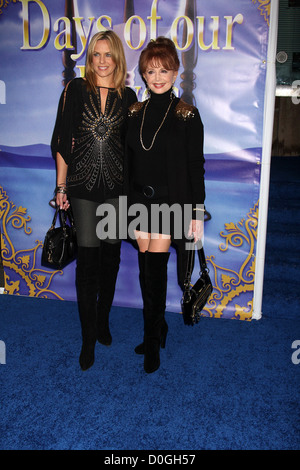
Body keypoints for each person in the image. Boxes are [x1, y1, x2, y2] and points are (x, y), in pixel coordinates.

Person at [51, 31, 137, 371]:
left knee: (110, 260)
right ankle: (88, 338)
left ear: (117, 58)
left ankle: (102, 321)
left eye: (108, 54)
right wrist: (61, 187)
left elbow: (134, 150)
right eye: (96, 54)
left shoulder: (129, 97)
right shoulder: (74, 90)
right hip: (83, 190)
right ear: (91, 57)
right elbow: (61, 140)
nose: (102, 61)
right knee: (88, 263)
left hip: (116, 191)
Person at [125, 37, 205, 374]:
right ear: (143, 74)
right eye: (151, 70)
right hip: (135, 203)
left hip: (169, 205)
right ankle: (157, 327)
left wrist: (197, 212)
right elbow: (127, 162)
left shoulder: (187, 115)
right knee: (146, 273)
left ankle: (152, 343)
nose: (157, 76)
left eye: (164, 70)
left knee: (155, 274)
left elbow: (195, 167)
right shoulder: (134, 113)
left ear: (175, 72)